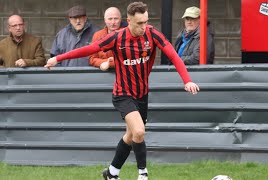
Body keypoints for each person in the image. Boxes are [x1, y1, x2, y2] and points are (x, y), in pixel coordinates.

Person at [45, 2, 200, 180]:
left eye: (146, 21)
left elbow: (173, 55)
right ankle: (143, 174)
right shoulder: (118, 38)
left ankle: (111, 173)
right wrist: (58, 58)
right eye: (139, 23)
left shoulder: (152, 34)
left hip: (142, 94)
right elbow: (89, 49)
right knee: (139, 131)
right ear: (129, 21)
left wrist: (187, 80)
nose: (144, 27)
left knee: (130, 135)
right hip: (123, 94)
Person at [89, 7, 127, 71]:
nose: (113, 22)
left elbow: (132, 58)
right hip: (103, 76)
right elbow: (92, 59)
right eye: (110, 19)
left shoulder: (127, 34)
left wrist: (110, 63)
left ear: (120, 19)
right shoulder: (97, 35)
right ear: (105, 20)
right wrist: (103, 62)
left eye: (116, 18)